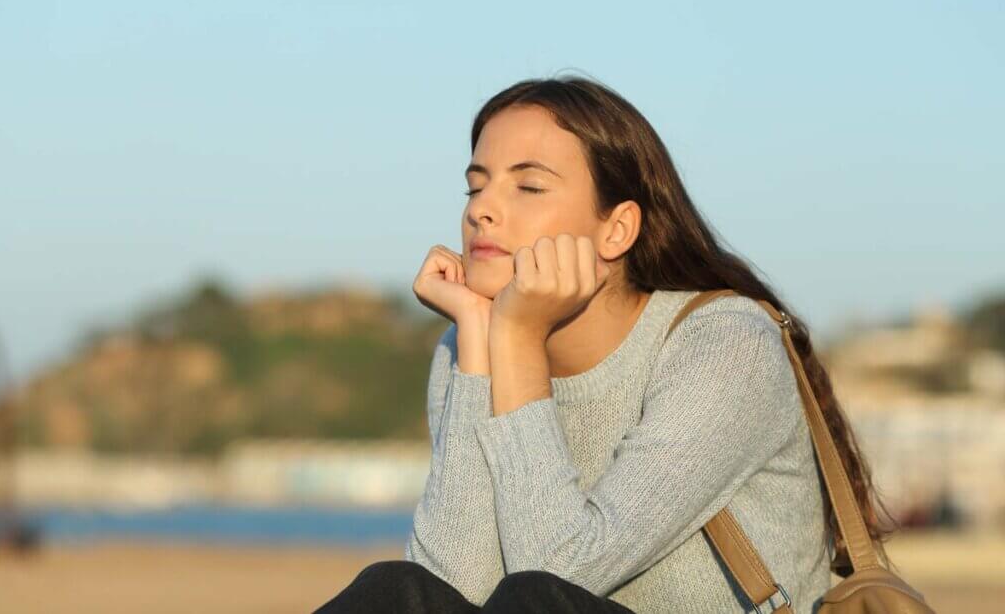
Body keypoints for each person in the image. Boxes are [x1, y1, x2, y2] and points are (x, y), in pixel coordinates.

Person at [313, 75, 893, 613]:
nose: (481, 211)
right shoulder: (464, 349)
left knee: (537, 599)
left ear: (616, 229)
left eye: (529, 186)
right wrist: (478, 340)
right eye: (475, 185)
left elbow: (556, 575)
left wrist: (516, 335)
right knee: (392, 592)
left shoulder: (723, 345)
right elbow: (450, 587)